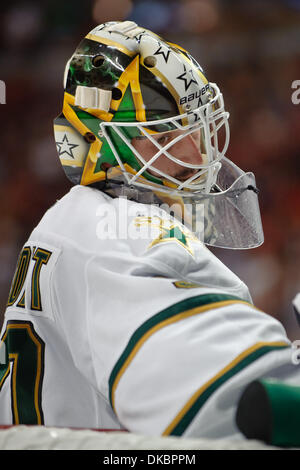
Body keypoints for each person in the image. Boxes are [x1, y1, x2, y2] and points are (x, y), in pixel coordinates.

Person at [0, 20, 299, 447]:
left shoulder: (78, 223)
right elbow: (236, 397)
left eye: (196, 125)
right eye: (167, 133)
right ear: (105, 145)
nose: (198, 153)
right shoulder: (115, 230)